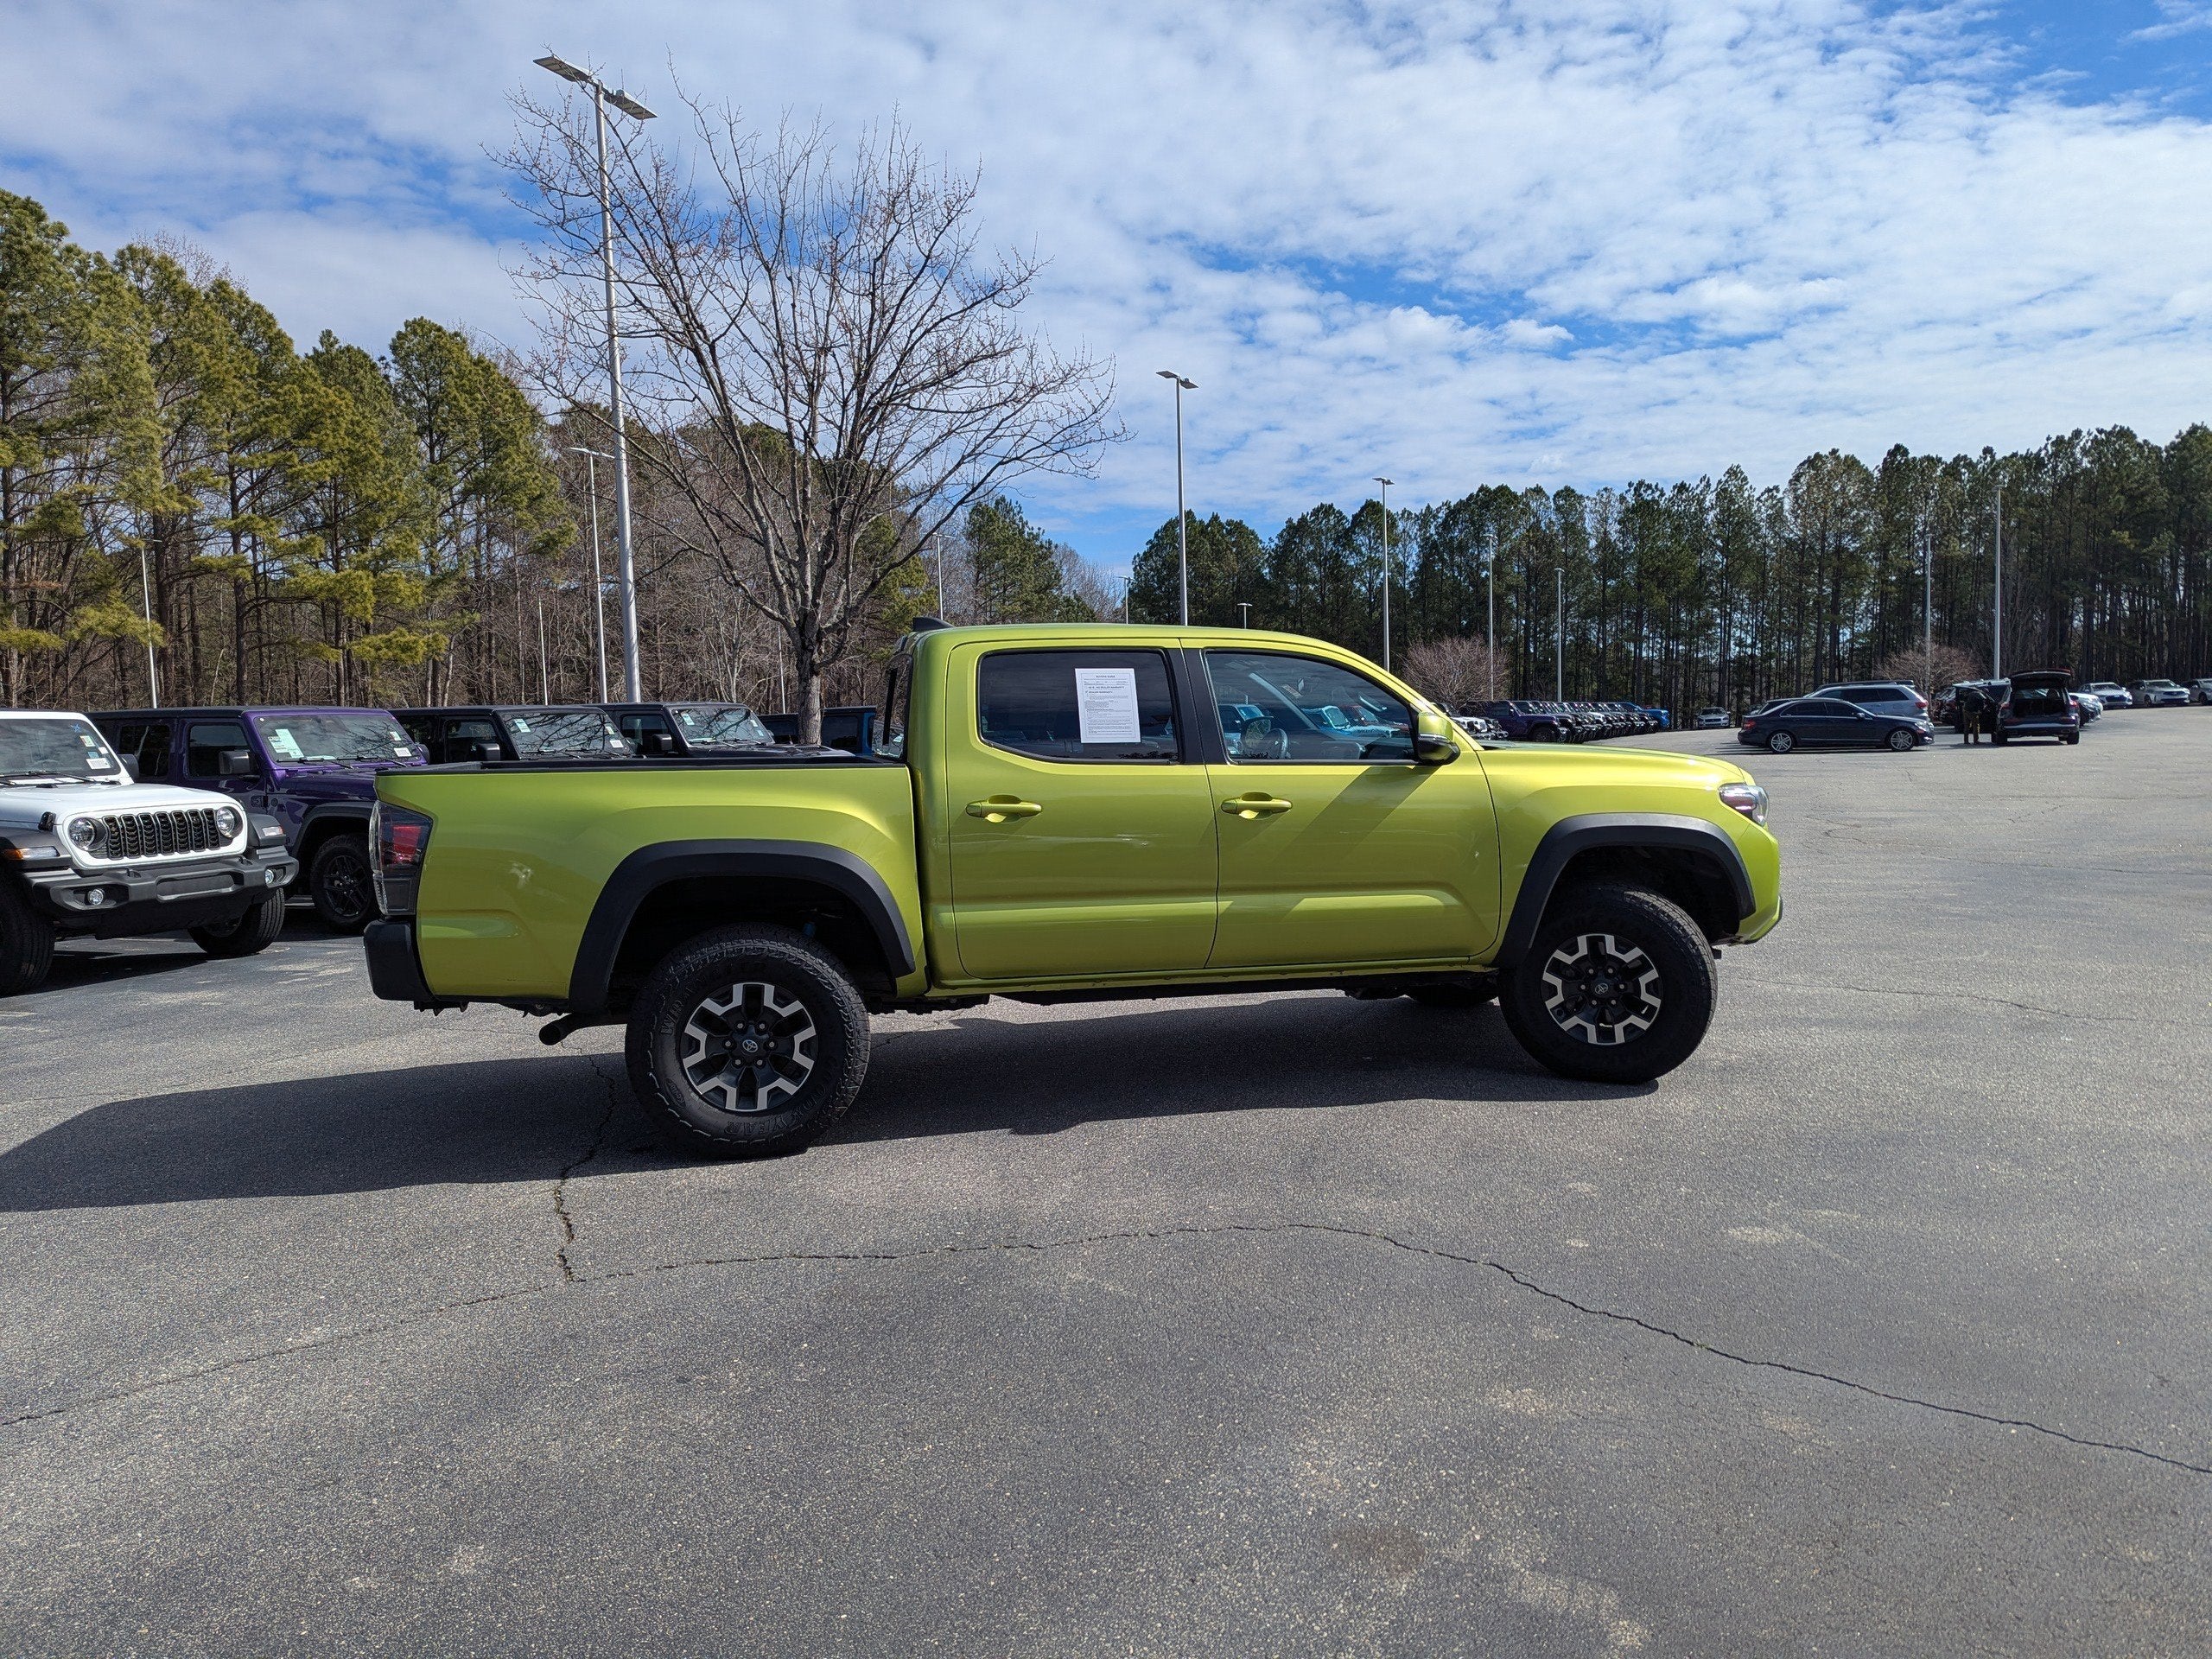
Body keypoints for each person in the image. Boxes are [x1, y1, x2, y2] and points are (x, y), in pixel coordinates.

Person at [1955, 681, 1989, 745]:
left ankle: (1966, 741)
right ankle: (1976, 741)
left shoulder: (1970, 694)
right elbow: (1981, 704)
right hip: (1973, 712)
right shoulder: (1980, 695)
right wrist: (1980, 711)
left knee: (1966, 726)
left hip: (1965, 711)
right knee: (1976, 726)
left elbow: (1964, 700)